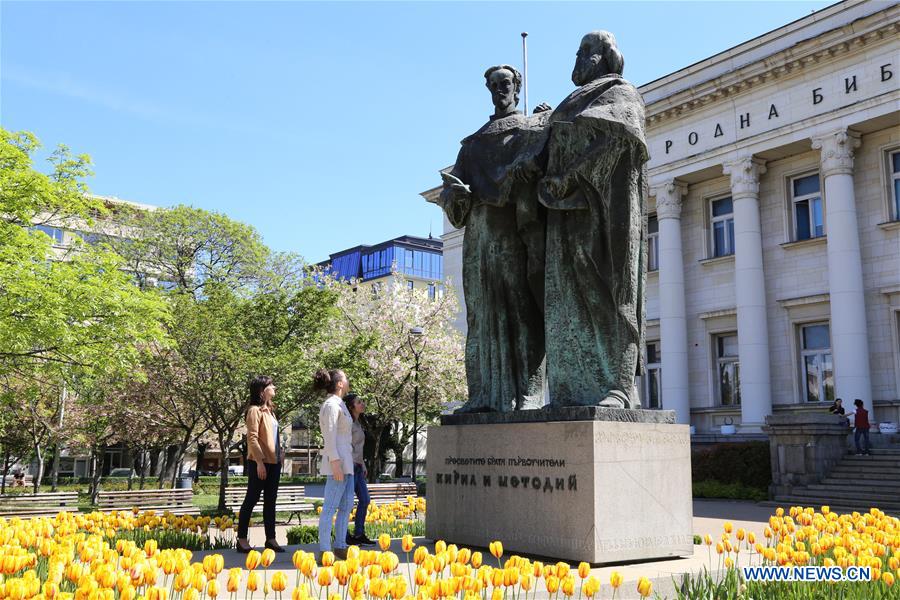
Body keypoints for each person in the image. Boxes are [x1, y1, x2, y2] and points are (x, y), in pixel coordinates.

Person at [530, 30, 648, 408]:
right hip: (564, 213)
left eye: (586, 52)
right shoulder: (571, 102)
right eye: (578, 51)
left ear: (605, 55)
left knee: (608, 292)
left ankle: (617, 387)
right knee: (564, 298)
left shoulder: (620, 91)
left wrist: (570, 173)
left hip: (602, 209)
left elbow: (614, 139)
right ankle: (568, 391)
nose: (579, 59)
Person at [438, 64, 549, 412]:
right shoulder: (472, 144)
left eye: (506, 83)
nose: (500, 89)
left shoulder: (531, 129)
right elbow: (452, 192)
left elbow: (550, 166)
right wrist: (454, 194)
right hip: (479, 234)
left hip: (514, 230)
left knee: (521, 310)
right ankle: (484, 395)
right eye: (494, 85)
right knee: (482, 316)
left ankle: (529, 393)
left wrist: (550, 124)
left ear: (517, 86)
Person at [237, 376, 284, 553]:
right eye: (271, 385)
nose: (274, 387)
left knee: (271, 500)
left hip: (274, 462)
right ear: (261, 390)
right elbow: (252, 438)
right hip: (260, 462)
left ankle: (270, 539)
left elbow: (272, 437)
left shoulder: (270, 411)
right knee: (252, 499)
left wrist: (280, 452)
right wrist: (259, 462)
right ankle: (241, 539)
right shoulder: (254, 411)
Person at [315, 368, 355, 560]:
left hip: (346, 461)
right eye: (345, 379)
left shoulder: (340, 404)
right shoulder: (331, 405)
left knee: (346, 505)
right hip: (338, 461)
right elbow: (329, 436)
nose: (347, 382)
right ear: (339, 384)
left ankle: (340, 545)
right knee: (330, 506)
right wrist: (335, 462)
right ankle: (324, 549)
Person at [344, 393, 375, 546]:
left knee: (365, 499)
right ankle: (344, 535)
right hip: (349, 467)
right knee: (347, 502)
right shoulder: (348, 423)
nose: (362, 404)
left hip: (357, 466)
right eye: (358, 402)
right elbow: (347, 446)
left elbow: (358, 448)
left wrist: (362, 464)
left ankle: (359, 533)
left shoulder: (358, 423)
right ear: (351, 406)